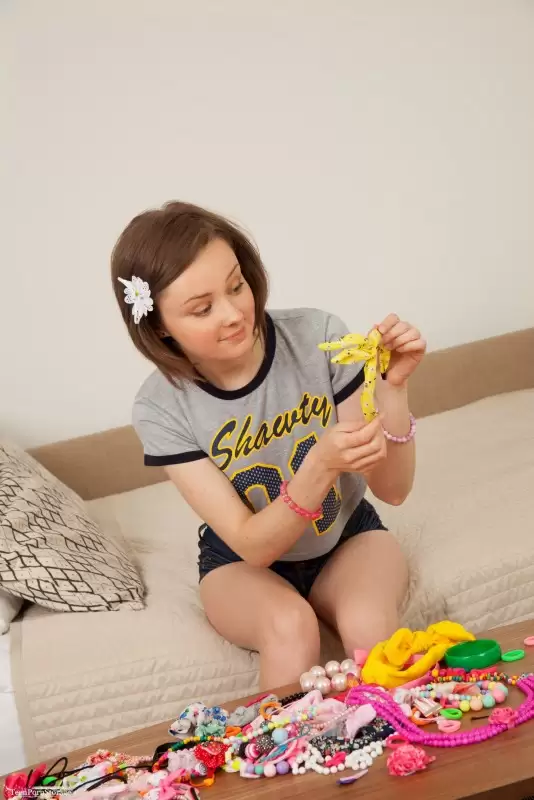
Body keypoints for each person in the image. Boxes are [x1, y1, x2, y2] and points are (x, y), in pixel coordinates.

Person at [111, 201, 426, 690]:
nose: (233, 313)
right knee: (290, 627)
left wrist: (393, 387)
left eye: (237, 285)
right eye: (202, 308)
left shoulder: (318, 337)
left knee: (370, 627)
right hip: (241, 563)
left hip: (347, 536)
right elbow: (253, 546)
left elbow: (393, 489)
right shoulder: (160, 407)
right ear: (158, 326)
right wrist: (320, 466)